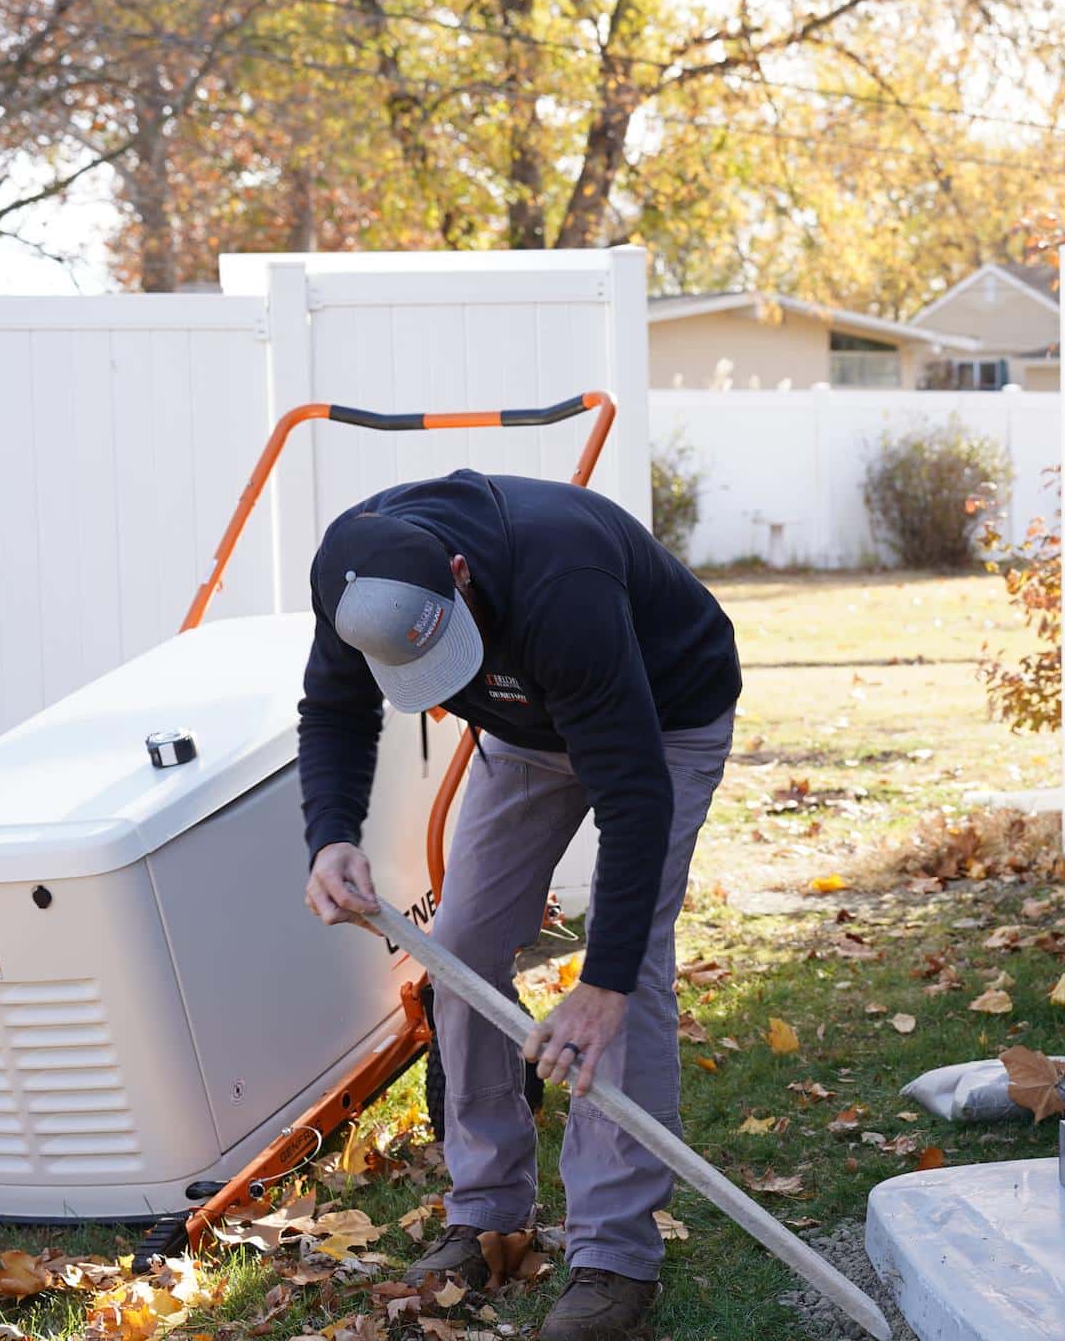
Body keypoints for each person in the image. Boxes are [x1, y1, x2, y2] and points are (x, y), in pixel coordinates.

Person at [297, 468, 739, 1341]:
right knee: (458, 950)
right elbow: (334, 711)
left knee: (631, 972)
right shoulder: (350, 578)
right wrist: (331, 835)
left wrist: (600, 982)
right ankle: (488, 1208)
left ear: (459, 575)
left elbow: (634, 795)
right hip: (524, 732)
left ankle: (614, 1255)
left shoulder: (561, 581)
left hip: (663, 719)